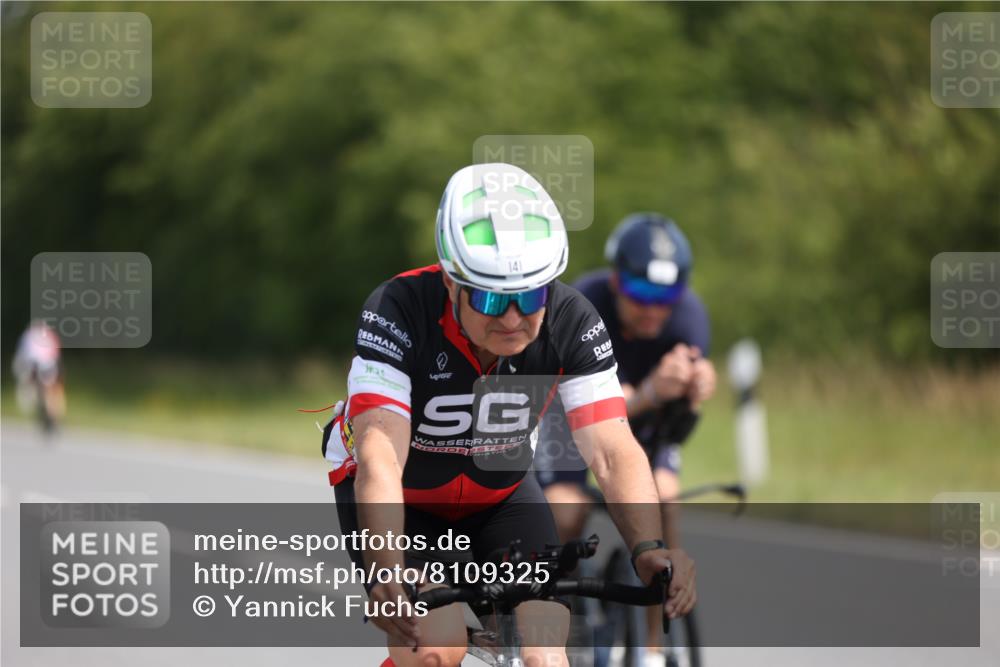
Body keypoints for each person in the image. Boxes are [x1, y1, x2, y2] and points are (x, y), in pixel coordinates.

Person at [323, 165, 696, 667]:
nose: (513, 318)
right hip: (405, 500)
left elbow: (611, 449)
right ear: (451, 279)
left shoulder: (572, 320)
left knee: (545, 653)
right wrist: (387, 567)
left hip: (499, 497)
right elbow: (381, 454)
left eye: (529, 296)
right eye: (492, 297)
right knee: (436, 645)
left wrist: (649, 546)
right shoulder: (398, 309)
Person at [534, 212, 716, 665]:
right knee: (564, 511)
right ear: (617, 281)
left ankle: (651, 648)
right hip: (574, 422)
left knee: (665, 495)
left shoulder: (690, 317)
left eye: (668, 296)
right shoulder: (584, 302)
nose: (655, 308)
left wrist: (694, 393)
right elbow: (570, 406)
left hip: (644, 426)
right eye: (642, 294)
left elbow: (678, 423)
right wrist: (650, 391)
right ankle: (561, 615)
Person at [12, 319, 66, 432]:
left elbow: (23, 353)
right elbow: (56, 353)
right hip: (48, 366)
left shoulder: (28, 335)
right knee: (50, 390)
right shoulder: (49, 335)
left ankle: (46, 413)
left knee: (34, 388)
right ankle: (52, 414)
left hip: (35, 366)